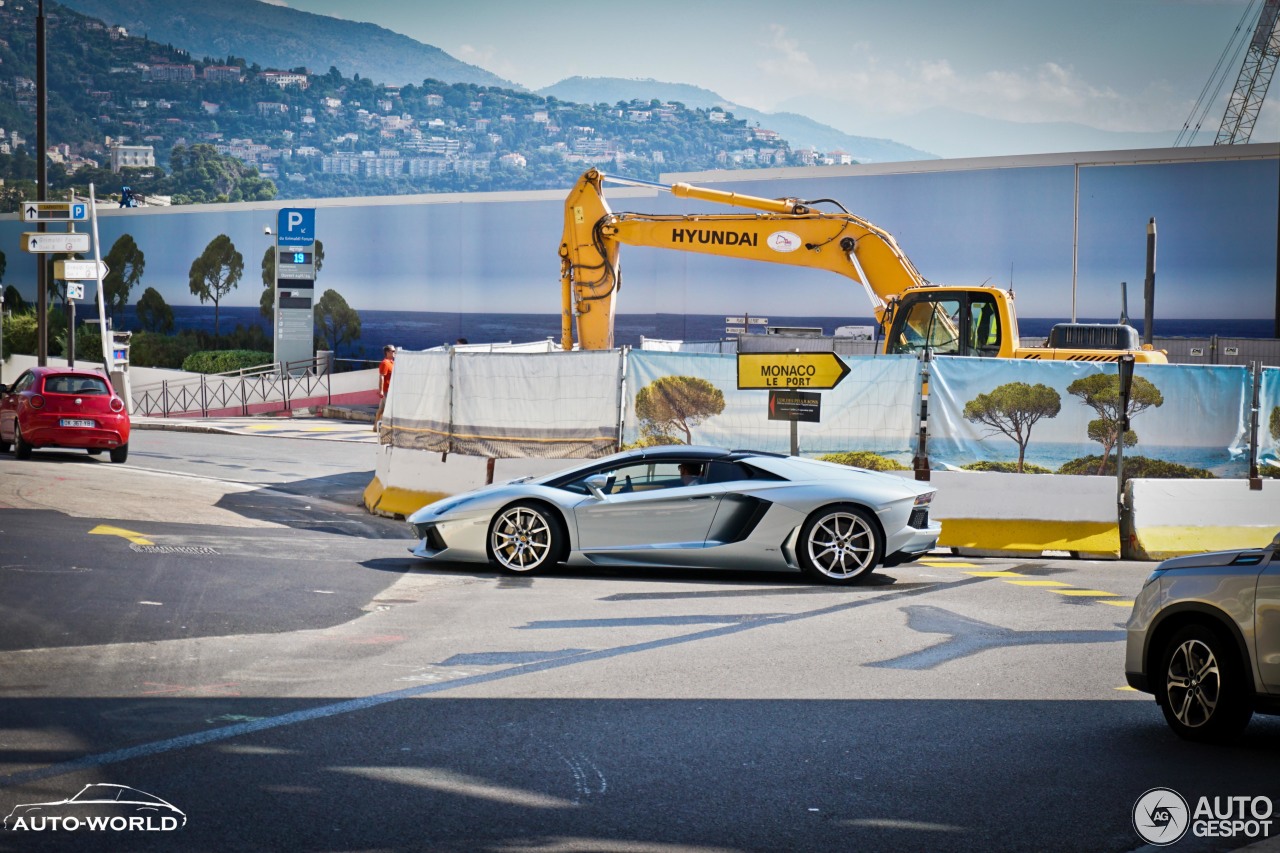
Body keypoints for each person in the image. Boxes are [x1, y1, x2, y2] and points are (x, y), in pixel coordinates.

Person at [374, 344, 395, 429]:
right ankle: (386, 427)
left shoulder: (392, 362)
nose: (394, 352)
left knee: (381, 409)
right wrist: (381, 390)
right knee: (388, 410)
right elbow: (382, 376)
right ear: (387, 352)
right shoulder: (385, 363)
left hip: (390, 390)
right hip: (386, 391)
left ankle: (376, 426)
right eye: (392, 351)